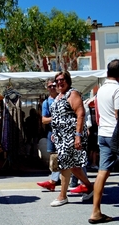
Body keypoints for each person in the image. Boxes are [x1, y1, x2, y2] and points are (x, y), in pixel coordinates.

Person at [49, 70, 93, 207]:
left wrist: (78, 136)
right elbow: (57, 117)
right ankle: (90, 187)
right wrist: (54, 132)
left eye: (62, 79)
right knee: (71, 165)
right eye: (57, 80)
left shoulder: (72, 94)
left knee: (67, 165)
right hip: (61, 136)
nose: (59, 82)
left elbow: (80, 114)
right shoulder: (58, 97)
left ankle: (63, 196)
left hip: (72, 135)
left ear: (68, 80)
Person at [88, 59, 119, 224]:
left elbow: (98, 115)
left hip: (103, 134)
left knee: (102, 172)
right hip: (116, 134)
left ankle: (96, 212)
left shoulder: (100, 90)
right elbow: (118, 115)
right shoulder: (117, 89)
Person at [37, 78, 61, 191]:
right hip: (52, 132)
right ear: (47, 88)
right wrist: (54, 118)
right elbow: (44, 120)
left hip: (64, 131)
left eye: (54, 85)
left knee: (66, 155)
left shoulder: (63, 98)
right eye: (50, 86)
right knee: (54, 156)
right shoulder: (46, 102)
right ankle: (54, 180)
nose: (52, 88)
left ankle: (78, 180)